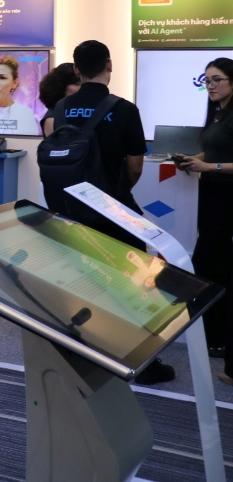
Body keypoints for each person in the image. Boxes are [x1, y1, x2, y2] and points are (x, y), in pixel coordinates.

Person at [55, 40, 173, 385]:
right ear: (109, 64)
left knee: (79, 278)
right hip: (113, 210)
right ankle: (141, 363)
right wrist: (116, 196)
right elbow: (135, 166)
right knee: (133, 283)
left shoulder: (61, 108)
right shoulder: (124, 109)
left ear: (76, 69)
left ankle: (83, 352)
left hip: (71, 208)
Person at [176, 58, 233, 369]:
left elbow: (217, 160)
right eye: (207, 80)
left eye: (216, 79)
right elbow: (213, 150)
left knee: (214, 265)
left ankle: (219, 337)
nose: (210, 86)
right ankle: (212, 334)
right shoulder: (218, 113)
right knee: (210, 265)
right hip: (211, 197)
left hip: (226, 199)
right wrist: (192, 159)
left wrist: (209, 167)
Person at [39, 62, 81, 135]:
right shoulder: (52, 118)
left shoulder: (75, 111)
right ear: (61, 87)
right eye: (77, 84)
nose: (81, 88)